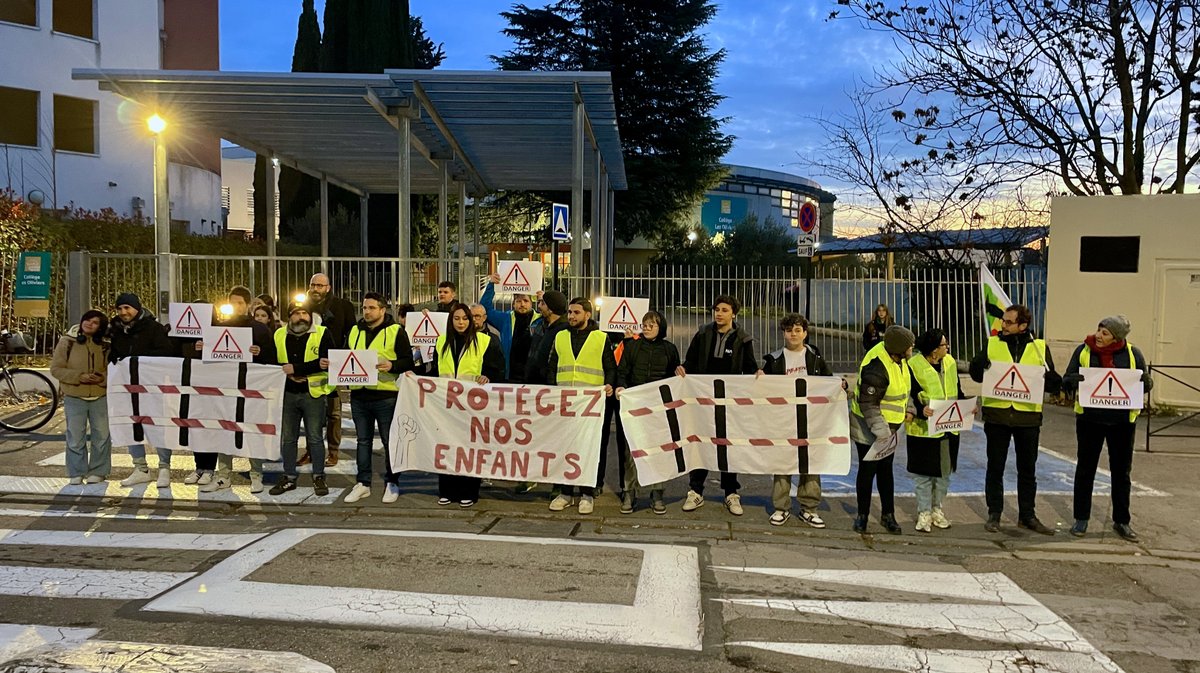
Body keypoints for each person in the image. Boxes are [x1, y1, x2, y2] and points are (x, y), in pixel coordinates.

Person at [970, 304, 1062, 535]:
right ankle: (994, 514)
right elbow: (976, 374)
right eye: (1003, 320)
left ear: (1023, 325)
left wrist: (1053, 379)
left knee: (1027, 470)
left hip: (1027, 418)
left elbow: (1051, 385)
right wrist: (977, 365)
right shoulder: (993, 344)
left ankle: (1027, 516)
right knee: (995, 467)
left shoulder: (1039, 348)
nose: (1003, 325)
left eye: (1009, 322)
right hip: (998, 416)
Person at [1062, 315, 1151, 542]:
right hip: (1090, 420)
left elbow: (1145, 381)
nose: (1099, 336)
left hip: (1122, 422)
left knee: (1121, 474)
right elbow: (1067, 378)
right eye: (1099, 330)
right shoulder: (1084, 351)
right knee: (1085, 470)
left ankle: (1122, 521)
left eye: (1105, 333)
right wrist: (1074, 380)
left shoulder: (1133, 354)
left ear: (1117, 337)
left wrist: (1145, 382)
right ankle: (1081, 518)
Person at [676, 294, 756, 516]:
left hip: (729, 402)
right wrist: (683, 368)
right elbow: (690, 361)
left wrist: (758, 374)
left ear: (734, 313)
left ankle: (731, 493)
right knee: (700, 442)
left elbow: (750, 368)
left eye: (724, 310)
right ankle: (695, 491)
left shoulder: (743, 338)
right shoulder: (703, 334)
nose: (719, 313)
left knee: (727, 444)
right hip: (702, 399)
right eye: (717, 309)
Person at [760, 313, 836, 528]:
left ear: (805, 333)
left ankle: (809, 508)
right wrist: (759, 377)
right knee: (782, 462)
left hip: (811, 419)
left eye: (797, 330)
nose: (793, 334)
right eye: (788, 330)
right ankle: (780, 507)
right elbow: (760, 387)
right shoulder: (773, 360)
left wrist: (841, 386)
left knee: (810, 462)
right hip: (784, 420)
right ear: (783, 333)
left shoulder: (815, 356)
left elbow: (829, 380)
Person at [199, 286, 277, 494]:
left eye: (240, 303)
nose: (236, 306)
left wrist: (259, 353)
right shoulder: (220, 328)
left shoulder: (260, 330)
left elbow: (272, 361)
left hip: (251, 390)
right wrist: (202, 348)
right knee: (224, 430)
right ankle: (223, 476)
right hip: (226, 389)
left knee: (252, 431)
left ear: (249, 305)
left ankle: (256, 475)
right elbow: (210, 360)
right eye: (233, 302)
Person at [429, 302, 504, 507]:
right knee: (446, 447)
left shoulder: (485, 341)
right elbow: (435, 372)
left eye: (465, 318)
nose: (461, 322)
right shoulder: (442, 342)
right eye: (456, 318)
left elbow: (498, 370)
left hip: (474, 407)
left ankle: (469, 491)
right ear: (450, 321)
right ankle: (446, 490)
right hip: (447, 406)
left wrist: (487, 377)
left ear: (471, 320)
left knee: (470, 450)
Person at [547, 298, 617, 514]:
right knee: (566, 447)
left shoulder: (600, 338)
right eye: (569, 312)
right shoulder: (560, 336)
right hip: (566, 405)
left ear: (587, 314)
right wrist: (552, 391)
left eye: (576, 312)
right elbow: (552, 367)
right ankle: (565, 492)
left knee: (590, 448)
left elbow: (610, 367)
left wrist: (609, 385)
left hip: (592, 407)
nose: (571, 316)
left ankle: (588, 492)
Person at [343, 293, 414, 505]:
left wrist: (393, 365)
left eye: (371, 308)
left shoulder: (396, 331)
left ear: (383, 310)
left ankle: (392, 481)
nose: (366, 311)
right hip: (359, 395)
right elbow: (346, 357)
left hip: (386, 396)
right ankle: (363, 483)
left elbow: (407, 361)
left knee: (388, 441)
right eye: (365, 307)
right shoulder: (355, 330)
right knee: (362, 440)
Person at [850, 324, 916, 534]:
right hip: (869, 427)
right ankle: (862, 516)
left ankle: (888, 515)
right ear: (899, 348)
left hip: (889, 427)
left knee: (886, 471)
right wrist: (883, 435)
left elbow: (907, 387)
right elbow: (868, 405)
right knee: (868, 470)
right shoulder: (876, 366)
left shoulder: (899, 359)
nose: (912, 348)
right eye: (910, 346)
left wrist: (911, 408)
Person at [109, 293, 178, 488]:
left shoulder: (153, 328)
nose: (123, 312)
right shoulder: (115, 330)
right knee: (132, 424)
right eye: (120, 308)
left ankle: (164, 468)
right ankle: (140, 468)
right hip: (128, 388)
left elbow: (166, 352)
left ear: (137, 308)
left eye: (127, 308)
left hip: (153, 388)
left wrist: (138, 359)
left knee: (159, 426)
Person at [615, 310, 680, 514]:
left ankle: (657, 493)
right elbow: (622, 371)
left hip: (658, 410)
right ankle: (629, 492)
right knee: (631, 451)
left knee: (658, 451)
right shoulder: (632, 346)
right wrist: (621, 387)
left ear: (661, 327)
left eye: (652, 324)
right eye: (644, 324)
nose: (647, 327)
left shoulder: (669, 349)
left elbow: (673, 377)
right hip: (634, 407)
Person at [269, 302, 333, 497]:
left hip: (312, 393)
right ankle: (289, 476)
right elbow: (272, 361)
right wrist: (287, 374)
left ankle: (319, 476)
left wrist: (296, 369)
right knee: (288, 439)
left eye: (305, 313)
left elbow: (326, 361)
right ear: (290, 316)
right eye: (297, 313)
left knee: (315, 437)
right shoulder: (279, 334)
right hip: (287, 393)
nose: (302, 317)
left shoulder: (322, 333)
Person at [906, 328, 963, 533]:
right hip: (922, 429)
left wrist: (966, 406)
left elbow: (957, 389)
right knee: (923, 476)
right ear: (932, 349)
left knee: (944, 474)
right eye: (943, 344)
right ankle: (924, 512)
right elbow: (909, 394)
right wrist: (921, 410)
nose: (947, 347)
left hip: (949, 427)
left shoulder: (950, 362)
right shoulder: (913, 365)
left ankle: (937, 509)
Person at [50, 309, 112, 485]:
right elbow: (56, 369)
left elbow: (114, 370)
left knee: (101, 436)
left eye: (95, 322)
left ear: (100, 328)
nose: (89, 324)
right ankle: (76, 472)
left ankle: (99, 471)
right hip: (74, 396)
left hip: (100, 396)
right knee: (75, 436)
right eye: (87, 320)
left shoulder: (106, 344)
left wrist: (102, 379)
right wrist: (79, 377)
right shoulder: (66, 342)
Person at [304, 273, 356, 468]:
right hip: (309, 365)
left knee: (334, 412)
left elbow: (351, 333)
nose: (315, 289)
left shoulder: (342, 306)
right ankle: (311, 451)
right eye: (312, 285)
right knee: (309, 412)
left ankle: (333, 452)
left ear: (328, 287)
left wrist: (343, 358)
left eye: (319, 285)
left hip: (335, 364)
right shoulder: (302, 306)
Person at [479, 273, 537, 383]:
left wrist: (544, 299)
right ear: (513, 304)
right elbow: (484, 309)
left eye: (525, 301)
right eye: (518, 301)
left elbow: (555, 314)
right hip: (509, 374)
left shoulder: (540, 320)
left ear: (531, 303)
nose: (522, 304)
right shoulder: (505, 319)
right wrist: (491, 285)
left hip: (533, 376)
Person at [525, 290, 570, 385]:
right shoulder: (540, 326)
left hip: (548, 386)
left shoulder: (564, 331)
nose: (539, 306)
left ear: (551, 309)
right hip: (533, 382)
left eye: (543, 303)